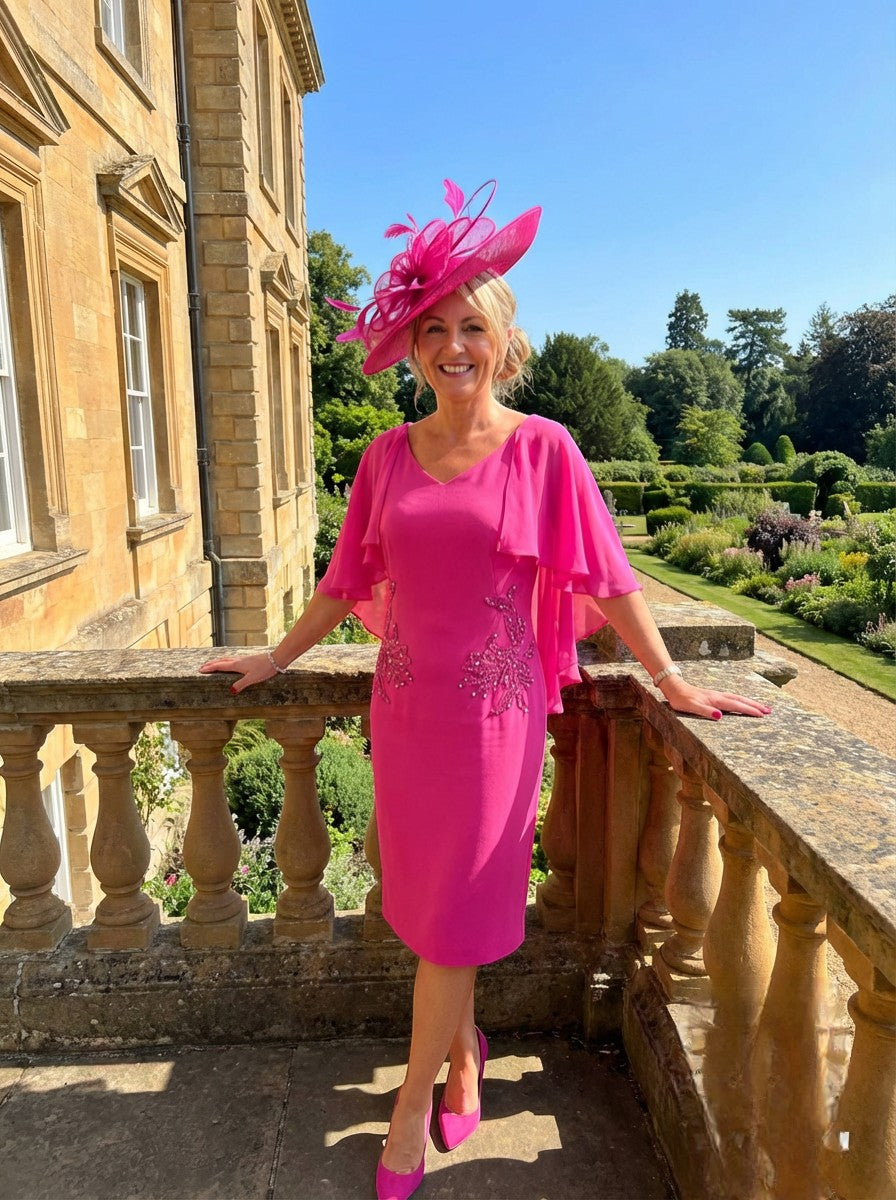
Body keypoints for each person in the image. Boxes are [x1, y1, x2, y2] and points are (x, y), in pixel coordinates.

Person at [201, 179, 771, 1200]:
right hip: (408, 708)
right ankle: (462, 1056)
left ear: (501, 343)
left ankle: (410, 1108)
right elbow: (343, 584)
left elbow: (605, 576)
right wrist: (273, 660)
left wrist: (669, 674)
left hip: (494, 721)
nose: (452, 346)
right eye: (433, 329)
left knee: (457, 912)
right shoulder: (383, 456)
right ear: (412, 346)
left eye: (471, 327)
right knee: (427, 913)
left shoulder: (544, 448)